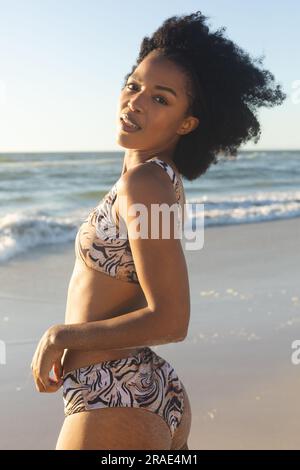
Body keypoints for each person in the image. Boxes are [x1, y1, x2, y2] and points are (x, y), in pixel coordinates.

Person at [30, 11, 286, 450]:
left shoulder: (146, 184)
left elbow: (171, 319)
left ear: (187, 124)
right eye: (133, 86)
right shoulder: (156, 179)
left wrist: (61, 336)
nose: (136, 102)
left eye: (161, 99)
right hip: (139, 389)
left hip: (113, 395)